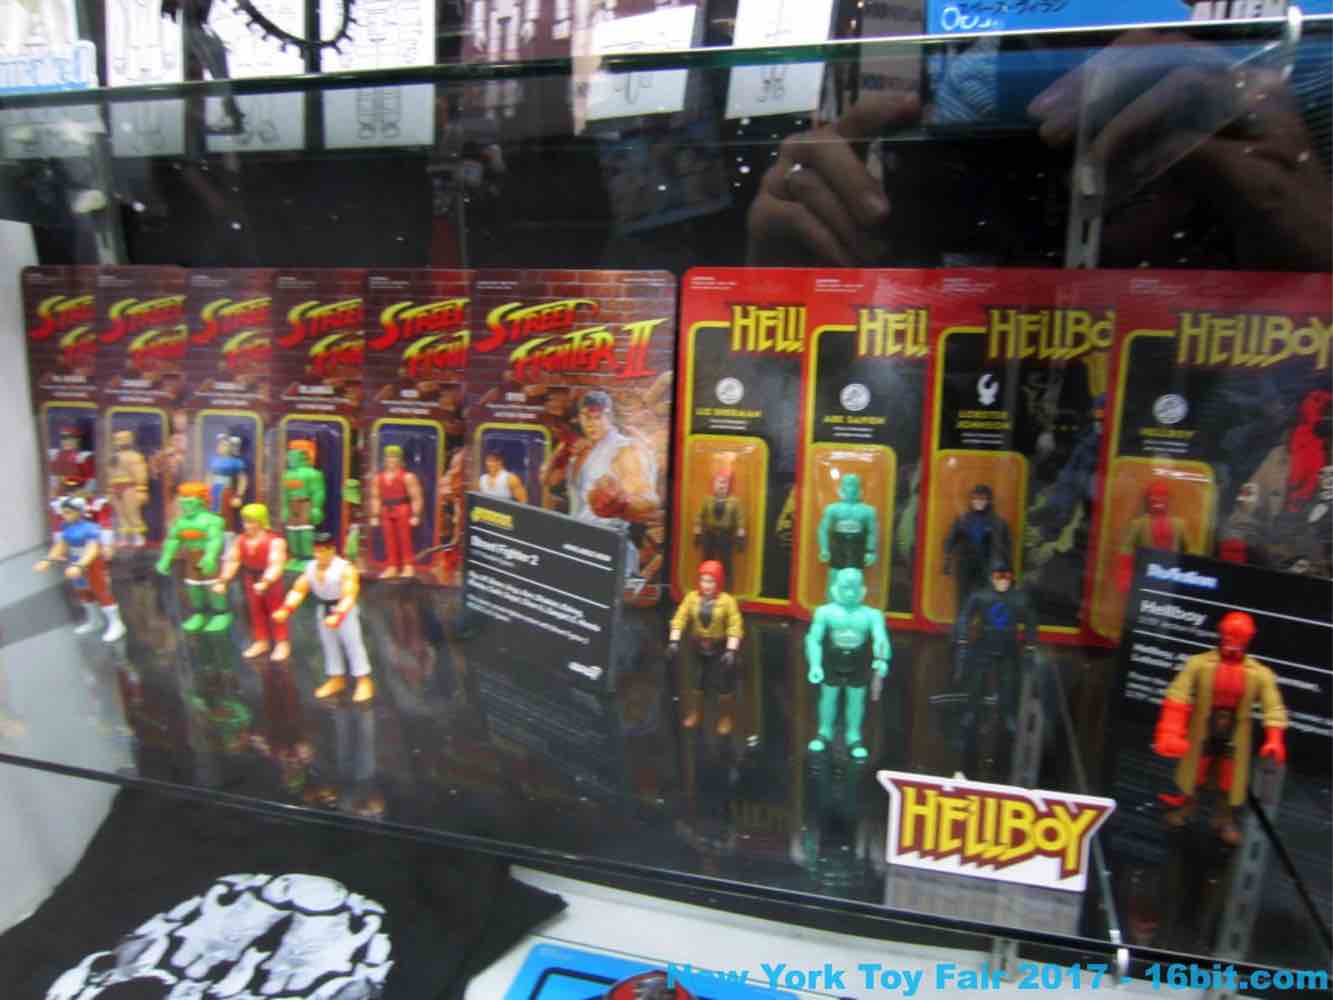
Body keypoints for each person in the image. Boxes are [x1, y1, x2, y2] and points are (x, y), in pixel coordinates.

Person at [1152, 611, 1287, 845]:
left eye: (1239, 637)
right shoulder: (1199, 664)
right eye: (1229, 635)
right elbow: (1177, 694)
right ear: (1221, 634)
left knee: (1229, 779)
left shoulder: (1260, 674)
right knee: (1196, 771)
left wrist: (1274, 738)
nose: (1233, 641)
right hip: (1204, 728)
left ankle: (1224, 820)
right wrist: (1171, 731)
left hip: (1236, 733)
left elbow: (1273, 706)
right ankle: (1188, 808)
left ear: (1248, 639)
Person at [952, 558, 1040, 777]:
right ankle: (969, 715)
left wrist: (1030, 645)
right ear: (991, 578)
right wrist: (962, 639)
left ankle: (1008, 718)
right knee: (975, 687)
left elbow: (1031, 621)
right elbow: (964, 616)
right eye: (999, 576)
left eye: (1007, 576)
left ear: (1012, 578)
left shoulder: (1019, 598)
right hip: (983, 648)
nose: (1003, 580)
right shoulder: (980, 596)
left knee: (1008, 690)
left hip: (1008, 651)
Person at [273, 532, 374, 703]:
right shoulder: (311, 568)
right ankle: (336, 678)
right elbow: (299, 590)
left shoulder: (345, 569)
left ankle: (363, 680)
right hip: (323, 609)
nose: (318, 555)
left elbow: (349, 595)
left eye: (322, 551)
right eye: (316, 551)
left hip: (344, 611)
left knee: (353, 644)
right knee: (329, 645)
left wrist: (339, 615)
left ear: (331, 550)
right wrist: (286, 608)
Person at [805, 567, 891, 760]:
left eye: (855, 588)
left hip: (858, 661)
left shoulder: (872, 615)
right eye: (845, 587)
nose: (850, 593)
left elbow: (880, 639)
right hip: (832, 659)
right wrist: (815, 664)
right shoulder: (825, 612)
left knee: (856, 699)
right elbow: (813, 639)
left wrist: (881, 659)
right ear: (835, 588)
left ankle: (854, 736)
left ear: (862, 589)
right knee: (828, 696)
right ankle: (824, 732)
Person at [668, 559, 743, 736]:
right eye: (703, 580)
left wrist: (731, 650)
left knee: (723, 684)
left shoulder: (727, 601)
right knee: (697, 681)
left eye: (711, 581)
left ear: (719, 581)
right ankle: (695, 712)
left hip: (719, 647)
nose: (706, 585)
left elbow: (735, 625)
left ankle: (725, 717)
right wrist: (674, 641)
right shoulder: (692, 598)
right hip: (697, 646)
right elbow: (679, 618)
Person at [34, 497, 125, 642]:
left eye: (68, 512)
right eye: (63, 512)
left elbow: (92, 549)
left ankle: (116, 623)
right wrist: (48, 560)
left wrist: (80, 565)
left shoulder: (90, 528)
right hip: (75, 562)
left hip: (92, 565)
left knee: (101, 592)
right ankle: (94, 620)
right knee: (83, 592)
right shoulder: (66, 528)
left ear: (79, 512)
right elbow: (61, 546)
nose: (64, 515)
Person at [214, 503, 289, 661]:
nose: (246, 525)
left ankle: (282, 642)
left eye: (251, 521)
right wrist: (223, 580)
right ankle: (261, 641)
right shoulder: (240, 540)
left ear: (261, 522)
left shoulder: (275, 541)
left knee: (276, 611)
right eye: (245, 521)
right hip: (250, 578)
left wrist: (266, 581)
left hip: (270, 582)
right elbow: (233, 561)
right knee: (255, 611)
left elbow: (276, 564)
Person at [155, 482, 231, 634]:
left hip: (209, 559)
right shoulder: (181, 522)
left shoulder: (211, 520)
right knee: (193, 586)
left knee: (214, 586)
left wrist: (210, 556)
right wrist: (166, 558)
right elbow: (173, 540)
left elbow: (215, 540)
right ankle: (199, 613)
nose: (186, 506)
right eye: (183, 502)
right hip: (191, 558)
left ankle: (221, 613)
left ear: (201, 501)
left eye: (190, 502)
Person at [943, 484, 1013, 618]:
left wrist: (1006, 567)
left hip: (987, 565)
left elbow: (1006, 547)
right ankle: (961, 627)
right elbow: (951, 539)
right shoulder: (964, 519)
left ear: (988, 500)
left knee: (987, 599)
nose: (978, 502)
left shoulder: (997, 522)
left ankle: (984, 626)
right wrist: (947, 559)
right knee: (962, 599)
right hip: (966, 565)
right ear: (971, 500)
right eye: (975, 498)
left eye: (982, 499)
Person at [1117, 481, 1193, 592]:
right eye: (1154, 496)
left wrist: (1189, 578)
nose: (1158, 499)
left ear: (1168, 499)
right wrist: (1125, 577)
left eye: (1162, 495)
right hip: (1146, 574)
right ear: (1148, 499)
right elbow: (1126, 550)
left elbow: (1191, 550)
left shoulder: (1179, 525)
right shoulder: (1139, 524)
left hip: (1171, 574)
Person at [370, 444, 424, 578]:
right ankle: (392, 566)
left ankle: (408, 565)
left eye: (394, 457)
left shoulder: (408, 477)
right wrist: (375, 515)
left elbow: (416, 497)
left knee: (405, 538)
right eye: (389, 457)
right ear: (385, 459)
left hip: (402, 509)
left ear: (400, 460)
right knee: (389, 538)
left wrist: (416, 514)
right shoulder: (378, 478)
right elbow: (375, 497)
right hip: (386, 510)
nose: (391, 460)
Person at [817, 472, 878, 572]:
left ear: (859, 488)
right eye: (848, 484)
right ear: (842, 488)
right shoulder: (832, 509)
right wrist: (824, 549)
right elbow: (823, 530)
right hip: (837, 546)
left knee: (856, 576)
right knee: (835, 574)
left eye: (854, 484)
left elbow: (872, 532)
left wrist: (870, 551)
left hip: (857, 547)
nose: (851, 488)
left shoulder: (868, 511)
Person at [694, 471, 745, 586]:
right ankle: (704, 585)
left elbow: (740, 520)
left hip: (725, 536)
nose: (722, 485)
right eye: (719, 482)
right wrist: (697, 533)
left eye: (725, 482)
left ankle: (727, 587)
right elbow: (699, 517)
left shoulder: (734, 502)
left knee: (726, 563)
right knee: (707, 561)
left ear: (728, 485)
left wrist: (740, 537)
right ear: (714, 484)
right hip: (709, 535)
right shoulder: (707, 500)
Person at [107, 429, 150, 548]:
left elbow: (140, 473)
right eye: (118, 439)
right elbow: (110, 474)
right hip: (115, 487)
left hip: (129, 487)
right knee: (121, 515)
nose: (120, 442)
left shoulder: (135, 457)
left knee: (132, 512)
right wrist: (110, 490)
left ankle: (138, 536)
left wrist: (141, 489)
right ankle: (125, 537)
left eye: (123, 439)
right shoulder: (113, 457)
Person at [207, 433, 248, 534]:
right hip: (214, 492)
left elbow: (242, 480)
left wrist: (238, 496)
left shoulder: (236, 462)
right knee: (214, 514)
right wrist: (207, 492)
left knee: (228, 516)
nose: (221, 447)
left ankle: (228, 535)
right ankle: (215, 534)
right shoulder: (214, 460)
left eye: (224, 445)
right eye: (220, 444)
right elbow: (209, 476)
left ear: (230, 447)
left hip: (227, 492)